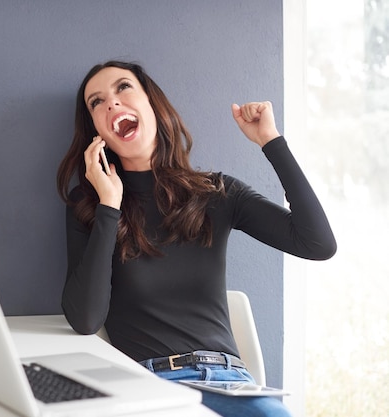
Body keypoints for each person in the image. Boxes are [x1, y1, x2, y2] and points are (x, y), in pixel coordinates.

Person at [56, 60, 337, 417]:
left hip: (231, 384)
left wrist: (271, 141)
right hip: (152, 389)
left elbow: (317, 243)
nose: (110, 103)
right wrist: (109, 205)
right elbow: (85, 318)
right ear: (96, 130)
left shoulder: (218, 193)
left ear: (152, 104)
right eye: (96, 102)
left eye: (123, 88)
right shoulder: (90, 206)